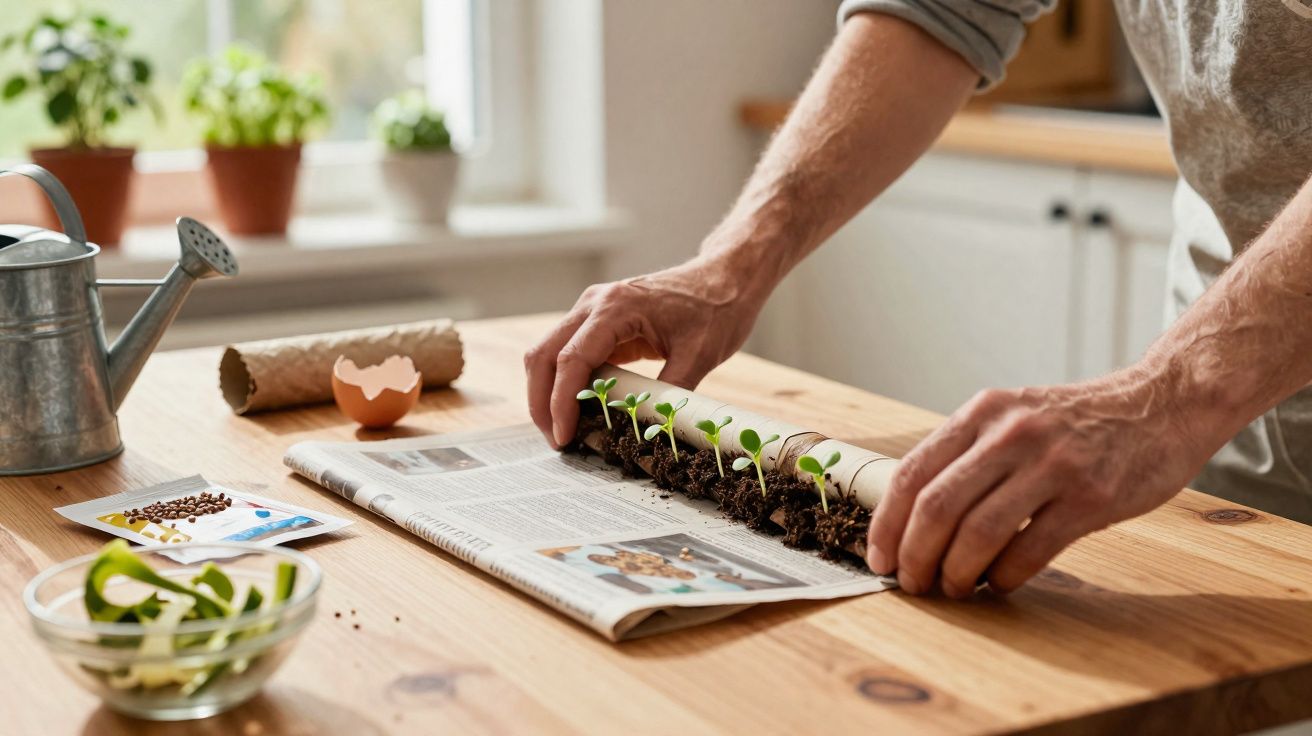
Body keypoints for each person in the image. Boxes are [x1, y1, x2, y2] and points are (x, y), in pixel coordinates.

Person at [524, 1, 1312, 598]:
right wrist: (729, 265)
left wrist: (1172, 394)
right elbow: (940, 13)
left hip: (1212, 383)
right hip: (1243, 418)